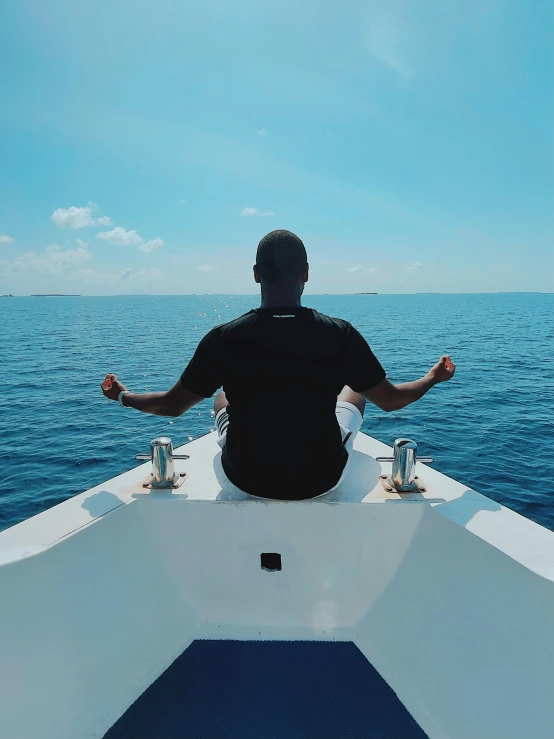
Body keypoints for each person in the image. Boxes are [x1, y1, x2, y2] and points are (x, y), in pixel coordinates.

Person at [101, 230, 455, 499]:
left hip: (246, 475)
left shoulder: (224, 338)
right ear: (306, 273)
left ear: (257, 274)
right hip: (321, 476)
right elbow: (391, 400)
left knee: (222, 397)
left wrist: (123, 397)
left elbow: (172, 405)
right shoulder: (339, 334)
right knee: (355, 393)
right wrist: (432, 378)